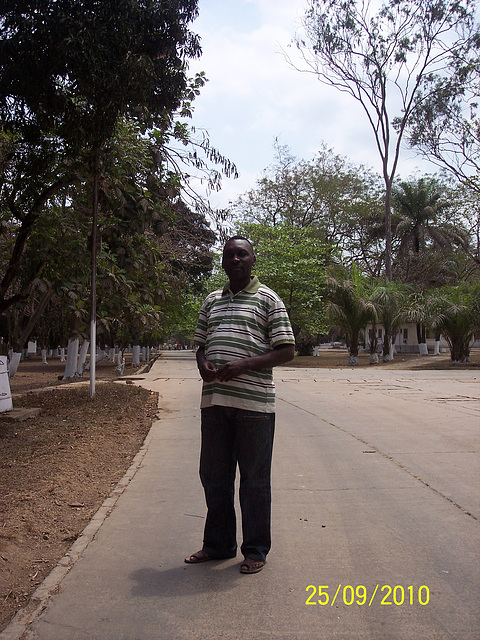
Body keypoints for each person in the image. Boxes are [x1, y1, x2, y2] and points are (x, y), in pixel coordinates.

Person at [184, 236, 295, 574]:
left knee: (254, 480)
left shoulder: (269, 300)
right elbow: (200, 343)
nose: (235, 260)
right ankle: (218, 545)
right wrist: (203, 364)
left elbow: (287, 350)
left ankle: (256, 550)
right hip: (215, 404)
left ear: (253, 261)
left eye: (242, 254)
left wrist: (244, 365)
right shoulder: (211, 301)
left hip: (254, 408)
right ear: (222, 262)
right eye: (229, 255)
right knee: (214, 477)